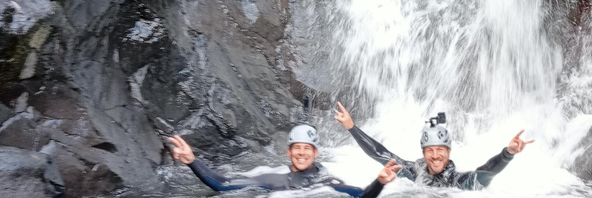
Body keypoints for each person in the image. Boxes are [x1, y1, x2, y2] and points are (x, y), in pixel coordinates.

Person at [334, 102, 534, 190]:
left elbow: (487, 172)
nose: (435, 155)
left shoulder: (460, 181)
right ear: (423, 153)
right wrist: (352, 127)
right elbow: (380, 154)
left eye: (440, 150)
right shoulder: (412, 171)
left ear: (449, 152)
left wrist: (508, 153)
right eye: (430, 150)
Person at [168, 123, 401, 197]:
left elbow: (361, 196)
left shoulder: (329, 182)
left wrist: (379, 182)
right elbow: (223, 185)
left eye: (307, 149)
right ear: (288, 153)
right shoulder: (272, 180)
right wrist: (191, 160)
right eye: (296, 148)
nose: (301, 153)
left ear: (316, 153)